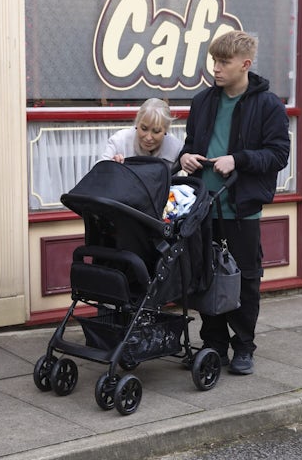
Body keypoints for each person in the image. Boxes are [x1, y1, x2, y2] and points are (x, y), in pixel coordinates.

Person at [179, 30, 290, 375]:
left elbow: (278, 154)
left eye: (223, 62)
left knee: (245, 279)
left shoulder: (268, 104)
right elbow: (190, 144)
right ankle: (213, 345)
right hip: (203, 207)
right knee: (205, 277)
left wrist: (238, 159)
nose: (216, 68)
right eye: (214, 60)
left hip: (242, 208)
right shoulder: (202, 101)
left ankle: (243, 346)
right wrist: (185, 158)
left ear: (245, 64)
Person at [101, 98, 183, 169]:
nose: (148, 137)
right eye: (144, 129)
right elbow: (98, 174)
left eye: (156, 131)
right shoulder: (119, 141)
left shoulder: (176, 149)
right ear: (137, 123)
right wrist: (110, 167)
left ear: (166, 130)